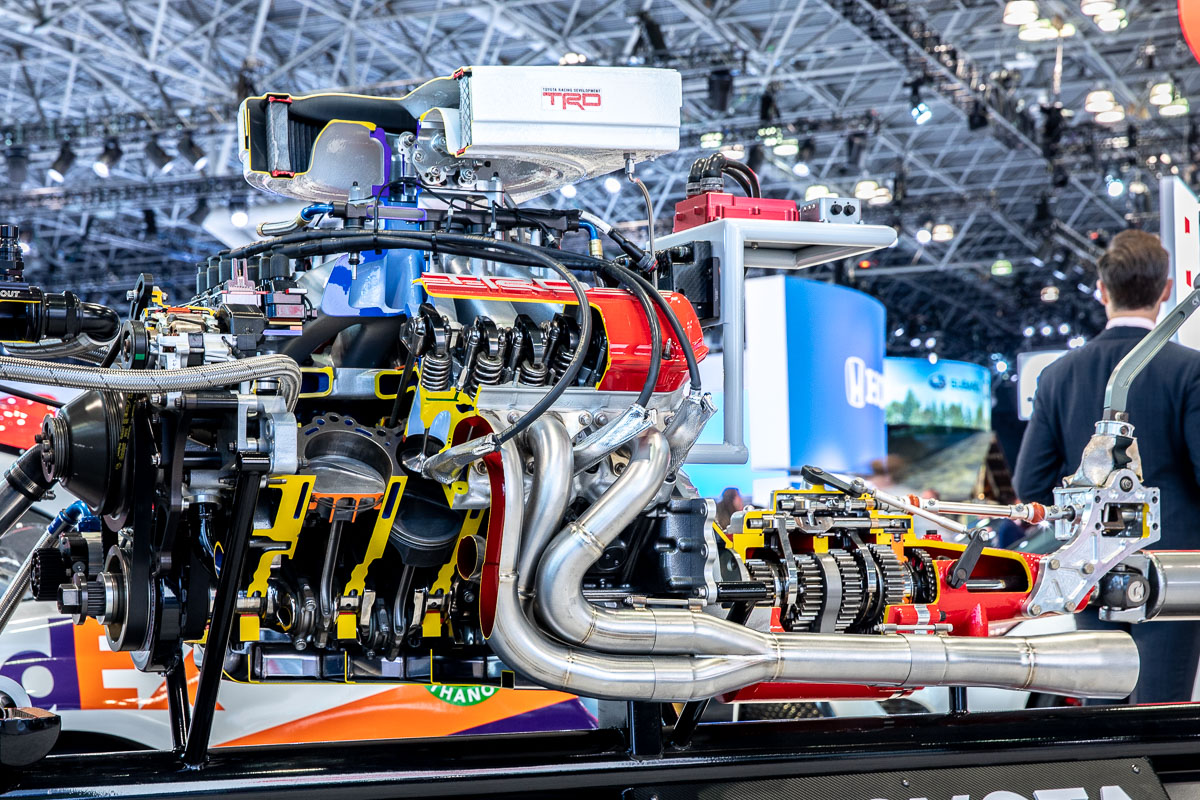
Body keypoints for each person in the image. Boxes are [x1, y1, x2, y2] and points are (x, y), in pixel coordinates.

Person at [1014, 229, 1200, 704]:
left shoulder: (1057, 376)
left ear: (1102, 290)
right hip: (1172, 572)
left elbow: (1030, 483)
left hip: (1090, 566)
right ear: (1165, 290)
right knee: (1161, 715)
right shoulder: (1189, 370)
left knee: (1102, 716)